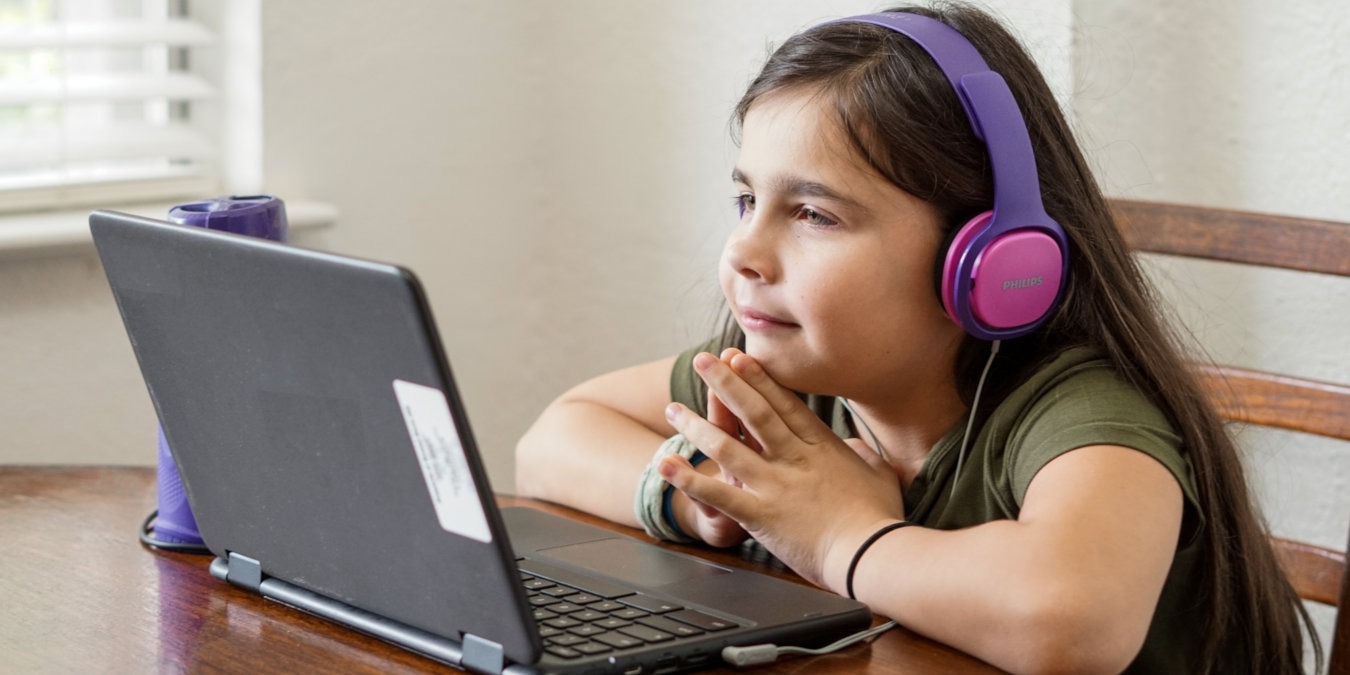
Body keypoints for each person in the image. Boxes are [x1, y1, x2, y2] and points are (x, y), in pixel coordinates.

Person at [515, 3, 1314, 673]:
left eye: (814, 214)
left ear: (991, 262)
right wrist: (699, 507)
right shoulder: (792, 376)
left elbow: (1071, 617)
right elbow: (553, 437)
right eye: (745, 199)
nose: (743, 254)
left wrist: (840, 535)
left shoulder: (1074, 411)